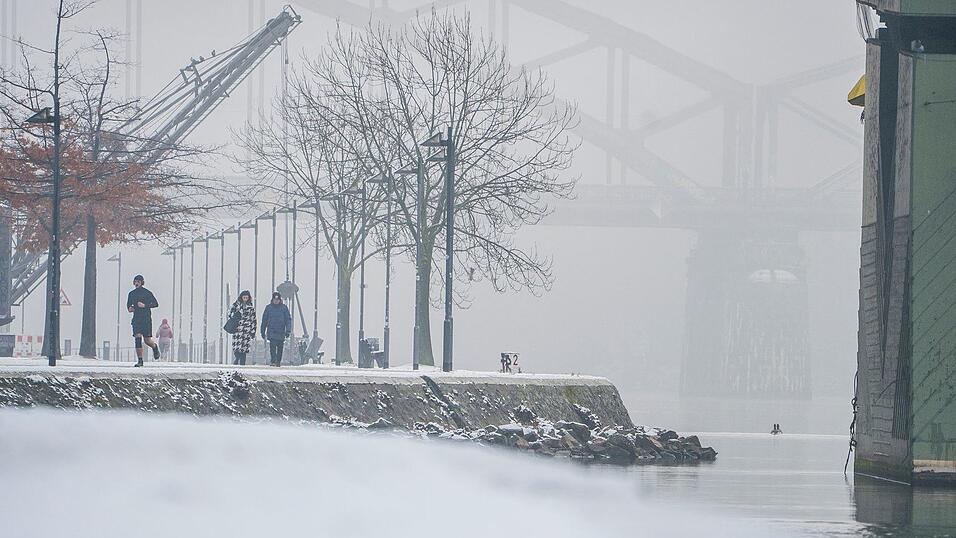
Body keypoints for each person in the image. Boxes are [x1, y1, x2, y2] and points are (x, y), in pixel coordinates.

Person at [127, 274, 160, 367]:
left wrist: (145, 305)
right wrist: (130, 308)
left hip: (146, 319)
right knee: (137, 338)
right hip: (136, 319)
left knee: (147, 340)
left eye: (138, 281)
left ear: (142, 282)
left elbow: (156, 304)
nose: (137, 283)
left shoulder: (147, 293)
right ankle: (140, 360)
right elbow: (129, 305)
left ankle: (154, 347)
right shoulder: (131, 294)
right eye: (135, 281)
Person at [260, 291, 291, 367]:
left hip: (281, 331)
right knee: (272, 347)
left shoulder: (284, 308)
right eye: (275, 299)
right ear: (272, 299)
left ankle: (278, 361)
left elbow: (288, 320)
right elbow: (264, 320)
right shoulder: (268, 308)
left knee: (280, 347)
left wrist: (288, 331)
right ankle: (273, 360)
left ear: (280, 300)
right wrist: (262, 331)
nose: (276, 301)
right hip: (272, 331)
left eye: (277, 299)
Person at [228, 290, 257, 365]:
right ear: (241, 297)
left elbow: (253, 320)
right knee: (236, 348)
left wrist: (253, 331)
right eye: (244, 297)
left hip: (246, 330)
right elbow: (230, 314)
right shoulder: (236, 305)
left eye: (246, 297)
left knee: (244, 349)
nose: (245, 299)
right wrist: (236, 314)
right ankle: (237, 358)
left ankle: (242, 363)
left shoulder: (251, 308)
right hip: (237, 329)